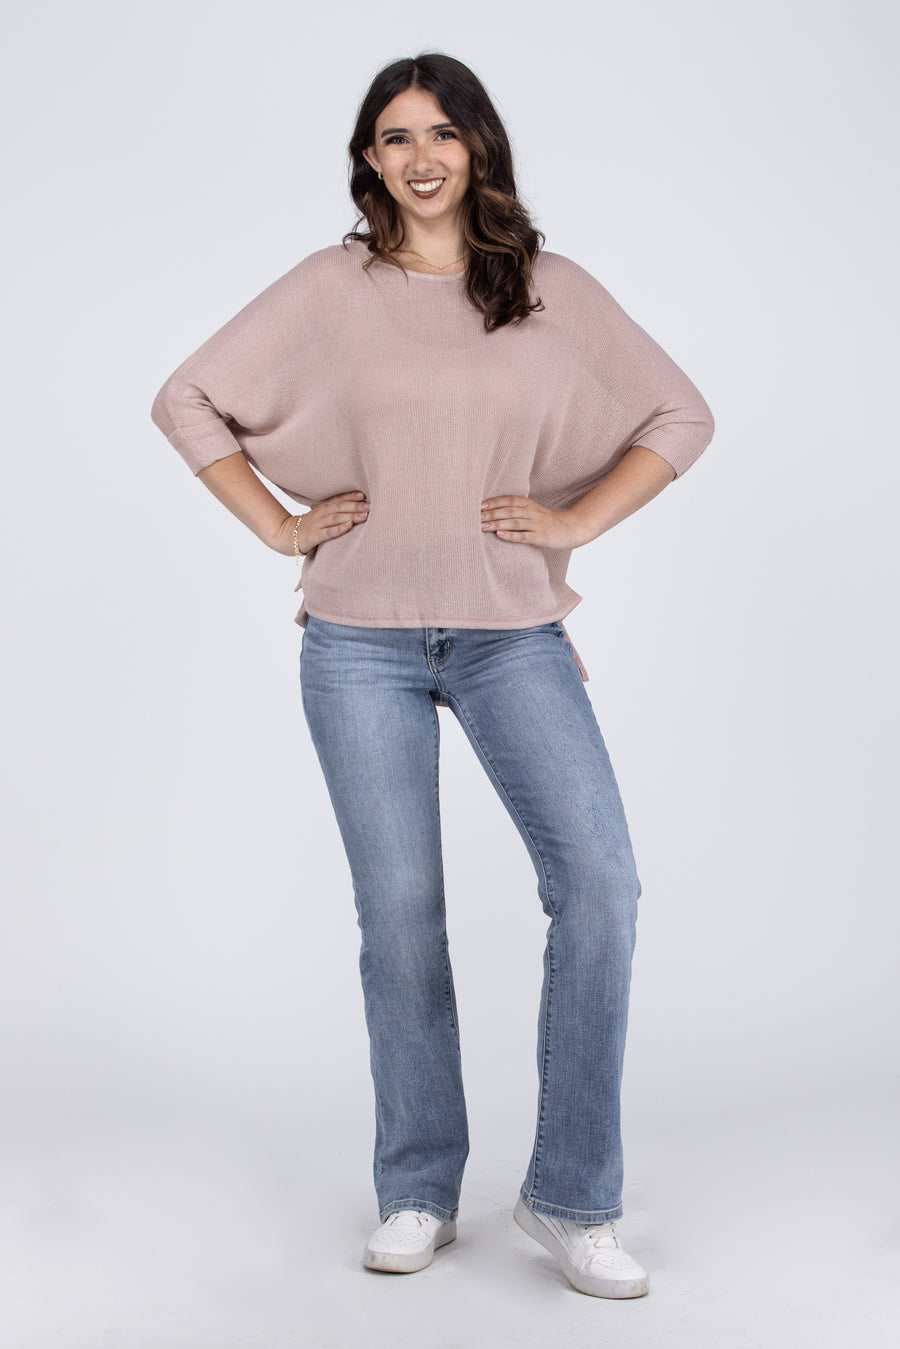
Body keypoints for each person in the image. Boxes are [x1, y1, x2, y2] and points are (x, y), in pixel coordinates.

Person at [150, 52, 715, 1300]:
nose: (420, 159)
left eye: (443, 134)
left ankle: (571, 1195)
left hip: (513, 634)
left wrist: (576, 522)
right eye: (395, 137)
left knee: (602, 884)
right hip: (358, 640)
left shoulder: (548, 289)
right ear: (368, 157)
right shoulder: (329, 286)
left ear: (479, 148)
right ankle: (418, 1184)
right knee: (400, 914)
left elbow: (679, 415)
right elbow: (185, 397)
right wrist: (280, 525)